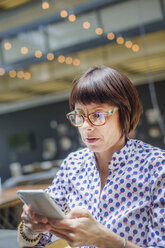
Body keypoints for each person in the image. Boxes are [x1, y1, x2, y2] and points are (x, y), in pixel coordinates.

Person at [17, 66, 165, 248]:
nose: (86, 126)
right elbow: (32, 243)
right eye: (80, 115)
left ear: (125, 113)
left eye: (97, 114)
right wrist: (31, 228)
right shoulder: (73, 165)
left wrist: (103, 238)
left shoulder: (157, 167)